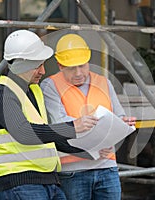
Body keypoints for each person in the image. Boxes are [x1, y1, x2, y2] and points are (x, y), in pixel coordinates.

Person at [0, 30, 98, 200]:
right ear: (20, 64)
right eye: (37, 65)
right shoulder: (1, 93)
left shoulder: (34, 91)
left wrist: (90, 150)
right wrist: (72, 127)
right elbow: (24, 133)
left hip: (48, 181)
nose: (42, 71)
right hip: (19, 183)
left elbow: (47, 137)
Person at [41, 33, 136, 200]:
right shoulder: (50, 85)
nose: (78, 72)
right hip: (73, 170)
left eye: (83, 66)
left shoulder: (104, 82)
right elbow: (61, 125)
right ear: (60, 65)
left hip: (107, 166)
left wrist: (123, 123)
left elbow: (118, 116)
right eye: (71, 67)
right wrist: (95, 145)